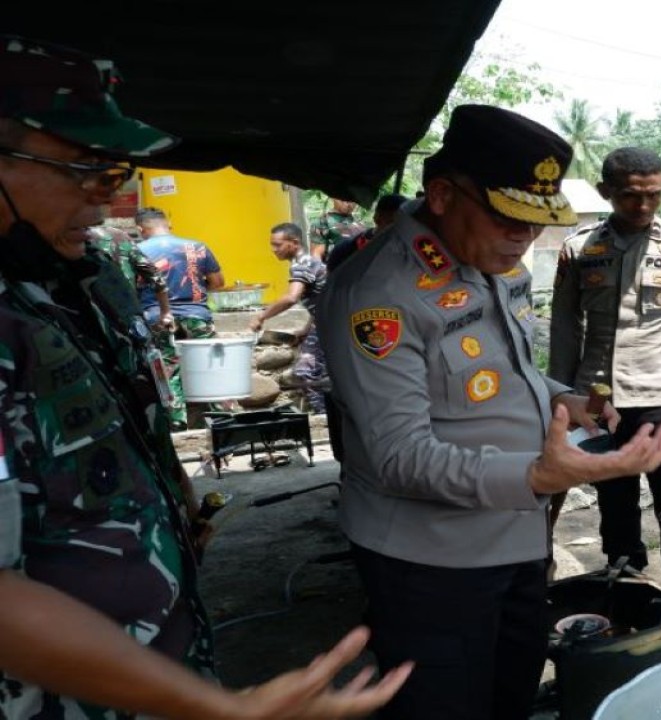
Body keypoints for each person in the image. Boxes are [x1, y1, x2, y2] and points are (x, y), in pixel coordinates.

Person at [0, 35, 408, 720]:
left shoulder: (79, 277)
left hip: (155, 656)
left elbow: (123, 416)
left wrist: (171, 498)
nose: (105, 202)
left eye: (117, 176)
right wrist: (216, 708)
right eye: (88, 171)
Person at [317, 105, 661, 720]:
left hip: (517, 538)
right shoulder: (379, 293)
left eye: (536, 224)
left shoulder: (491, 262)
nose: (523, 238)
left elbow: (503, 371)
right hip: (431, 562)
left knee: (509, 695)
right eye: (509, 218)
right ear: (442, 194)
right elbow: (399, 456)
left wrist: (559, 394)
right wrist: (538, 477)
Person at [548, 146, 661, 595]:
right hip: (597, 399)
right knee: (614, 498)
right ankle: (627, 583)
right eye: (631, 196)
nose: (644, 206)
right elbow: (565, 327)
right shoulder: (580, 248)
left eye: (654, 195)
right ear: (606, 191)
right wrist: (558, 393)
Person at [135, 206, 224, 430]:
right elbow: (217, 282)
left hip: (157, 317)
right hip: (197, 315)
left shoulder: (136, 250)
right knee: (209, 366)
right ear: (169, 225)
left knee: (167, 370)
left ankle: (177, 423)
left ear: (140, 229)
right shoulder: (197, 246)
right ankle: (222, 418)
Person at [249, 222, 328, 413]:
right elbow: (323, 299)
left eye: (277, 245)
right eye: (272, 245)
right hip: (327, 322)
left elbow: (291, 297)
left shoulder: (302, 264)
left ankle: (323, 415)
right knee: (326, 371)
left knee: (305, 371)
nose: (273, 250)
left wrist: (261, 316)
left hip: (331, 325)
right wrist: (308, 327)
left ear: (294, 242)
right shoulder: (308, 262)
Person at [326, 192, 406, 271]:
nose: (401, 229)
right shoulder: (346, 250)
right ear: (377, 218)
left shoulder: (406, 255)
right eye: (392, 223)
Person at [309, 196, 366, 263]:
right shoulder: (323, 223)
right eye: (343, 198)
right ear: (333, 197)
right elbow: (316, 255)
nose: (348, 203)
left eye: (352, 199)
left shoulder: (360, 225)